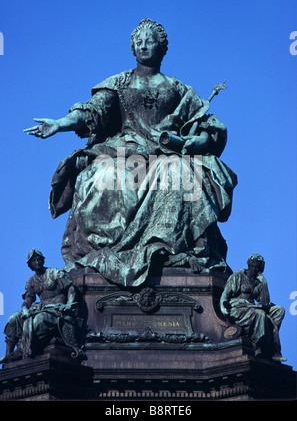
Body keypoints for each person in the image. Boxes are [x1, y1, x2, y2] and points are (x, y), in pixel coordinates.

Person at [24, 18, 237, 287]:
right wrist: (59, 124)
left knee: (182, 170)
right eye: (139, 41)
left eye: (150, 40)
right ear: (132, 49)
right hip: (123, 153)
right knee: (104, 174)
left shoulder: (180, 89)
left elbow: (209, 128)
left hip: (165, 155)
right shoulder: (119, 83)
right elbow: (92, 111)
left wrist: (196, 142)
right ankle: (110, 249)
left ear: (163, 48)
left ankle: (171, 249)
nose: (144, 45)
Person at [0, 249, 84, 363]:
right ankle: (8, 354)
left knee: (39, 320)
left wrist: (69, 305)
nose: (37, 262)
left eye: (39, 259)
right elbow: (28, 299)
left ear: (43, 260)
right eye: (34, 260)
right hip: (41, 308)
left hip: (57, 309)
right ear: (30, 265)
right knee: (14, 318)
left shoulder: (54, 273)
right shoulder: (31, 281)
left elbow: (71, 289)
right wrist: (24, 309)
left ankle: (24, 349)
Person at [220, 253, 286, 362]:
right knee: (260, 314)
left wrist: (263, 283)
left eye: (257, 268)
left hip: (251, 307)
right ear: (249, 265)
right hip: (237, 308)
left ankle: (267, 341)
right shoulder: (237, 276)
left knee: (279, 310)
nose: (254, 270)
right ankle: (259, 344)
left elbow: (265, 302)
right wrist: (223, 306)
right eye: (253, 267)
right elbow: (225, 295)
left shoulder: (259, 281)